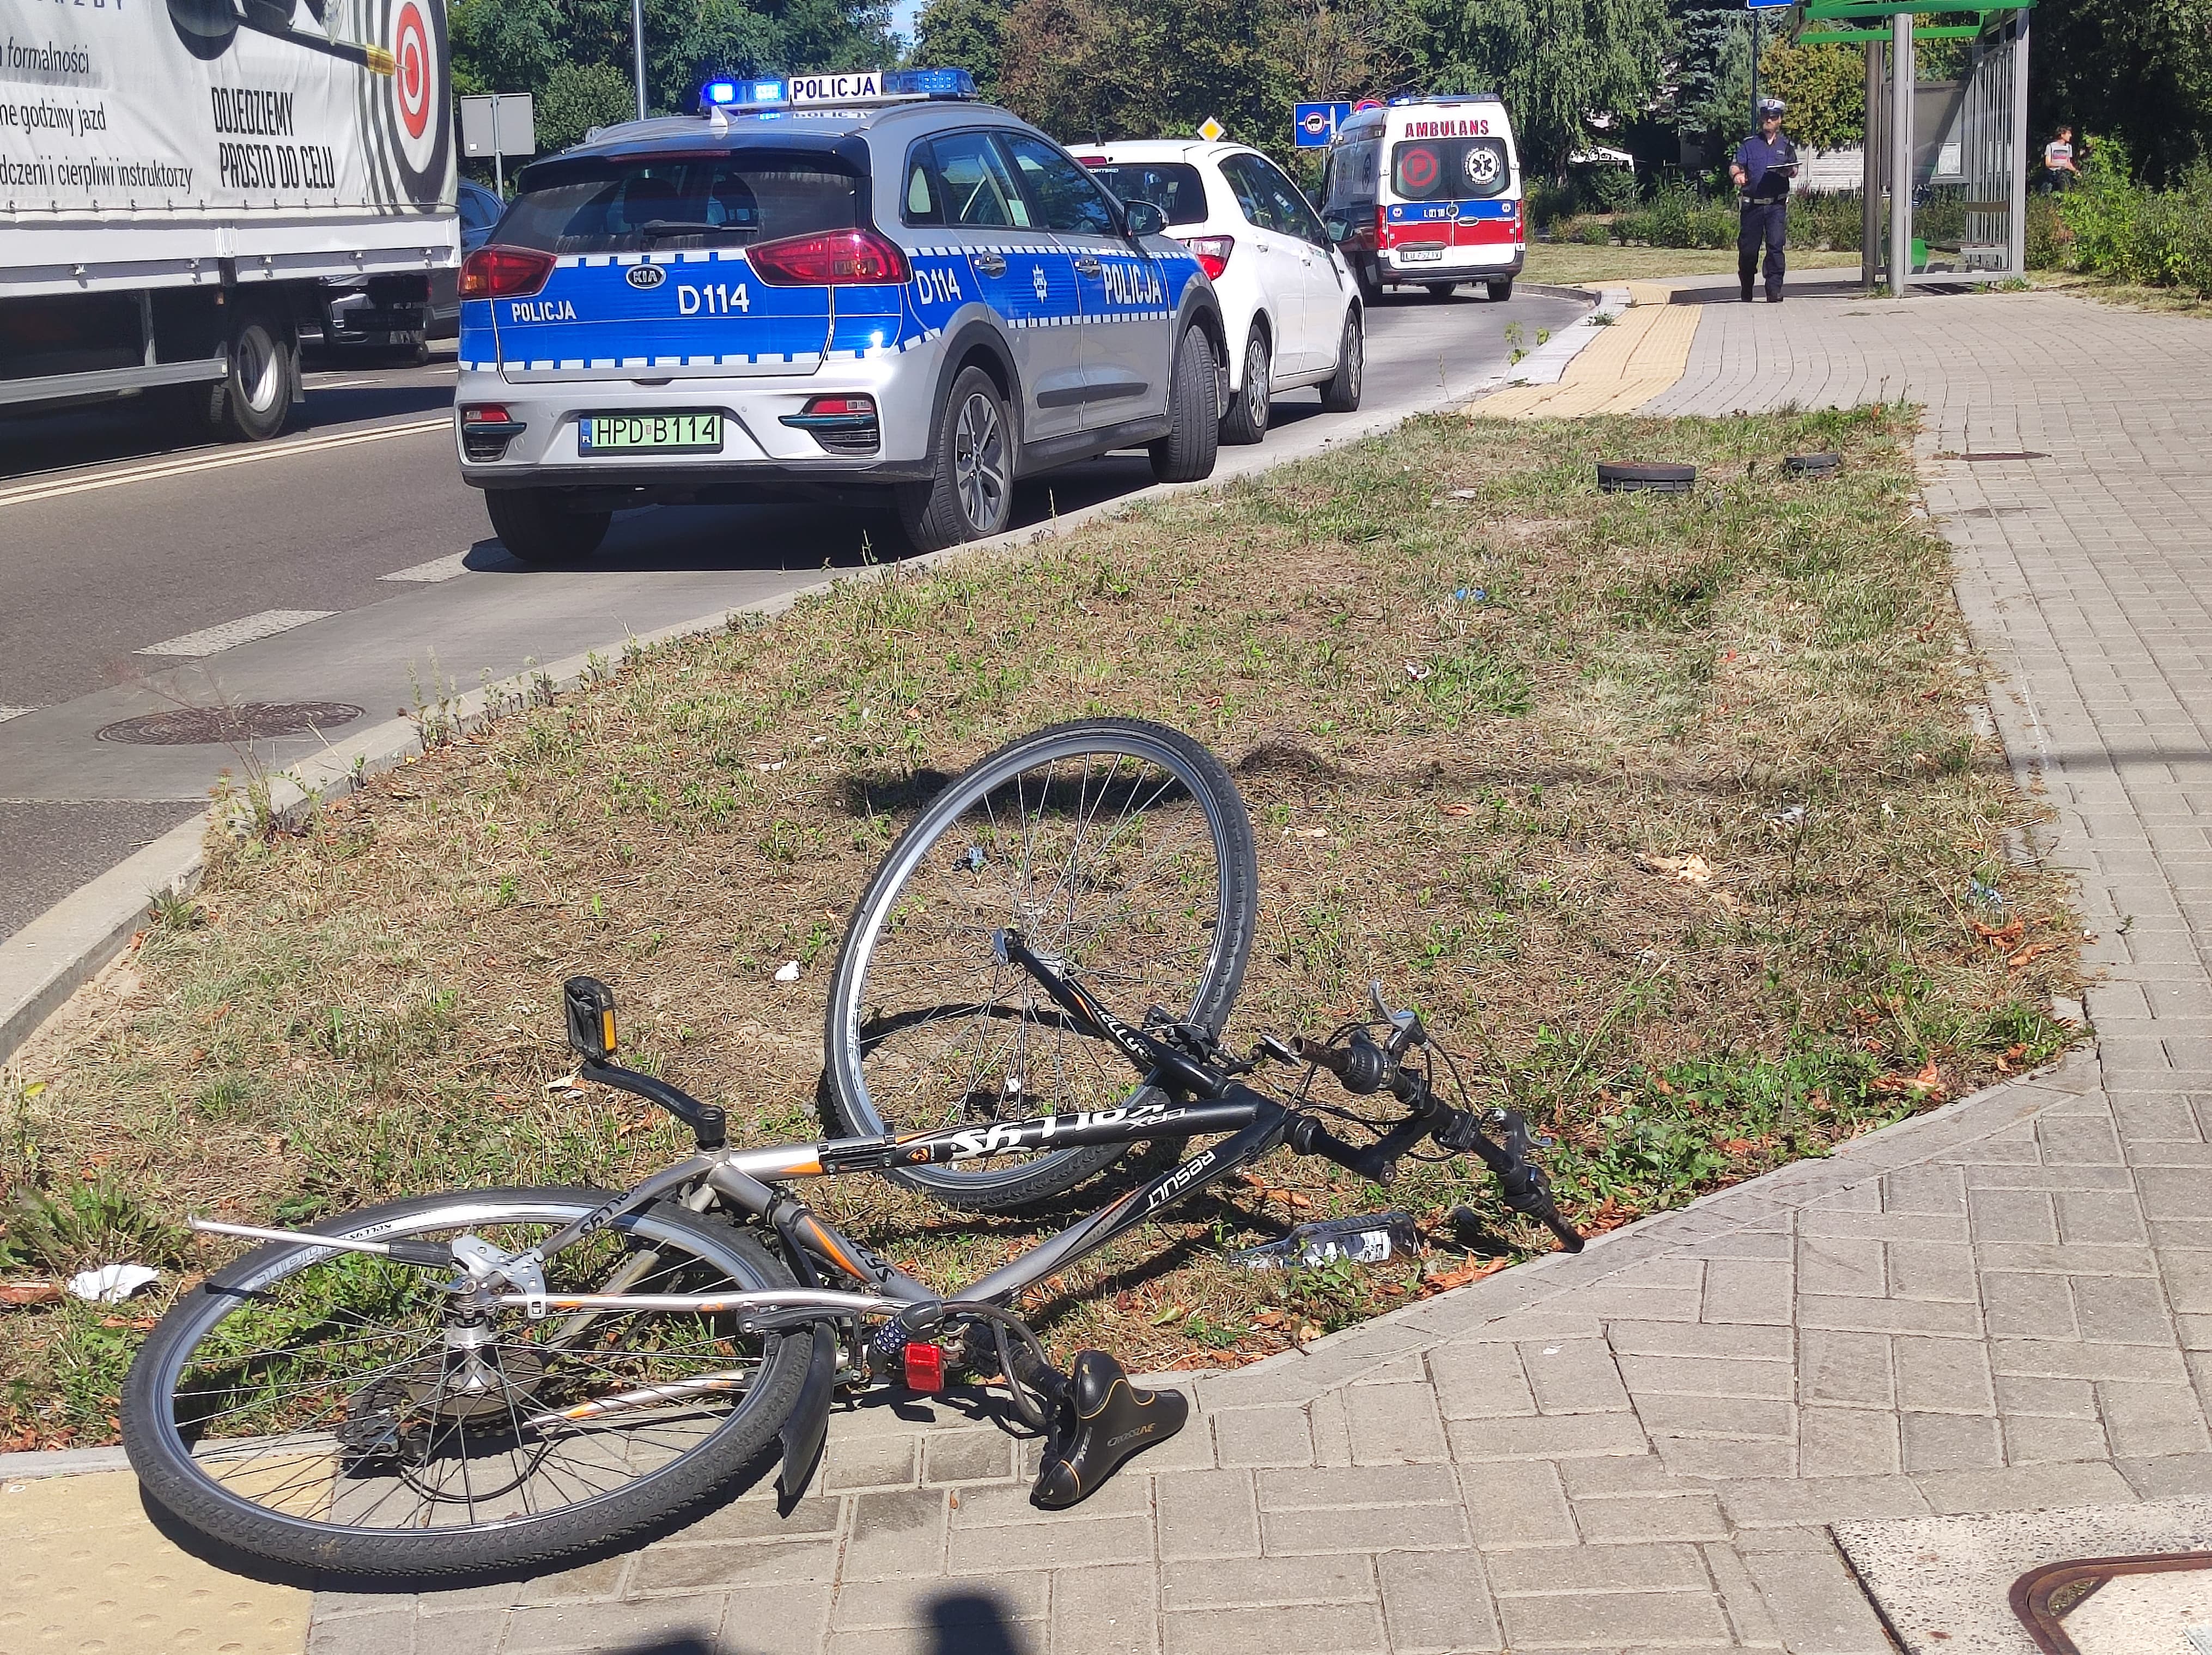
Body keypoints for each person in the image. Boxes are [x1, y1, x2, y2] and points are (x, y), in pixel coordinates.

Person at [1731, 97, 1798, 303]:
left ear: (1780, 120)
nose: (1769, 120)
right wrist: (1737, 176)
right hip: (1753, 205)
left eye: (1774, 117)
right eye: (1766, 117)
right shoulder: (1750, 145)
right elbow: (1735, 164)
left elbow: (1794, 168)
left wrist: (1790, 171)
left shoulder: (1786, 146)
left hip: (1776, 205)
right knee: (1749, 250)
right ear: (1762, 118)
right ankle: (1747, 287)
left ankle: (1774, 290)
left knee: (1776, 246)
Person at [2043, 125, 2079, 191]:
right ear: (2062, 135)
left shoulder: (2069, 147)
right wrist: (2061, 165)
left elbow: (2069, 163)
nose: (2070, 136)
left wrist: (2076, 171)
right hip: (2053, 174)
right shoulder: (2051, 146)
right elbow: (2048, 164)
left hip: (2064, 174)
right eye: (2068, 133)